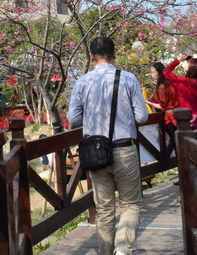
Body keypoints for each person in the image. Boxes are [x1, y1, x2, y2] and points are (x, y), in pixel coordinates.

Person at [68, 36, 148, 255]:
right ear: (114, 54)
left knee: (104, 210)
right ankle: (122, 250)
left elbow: (74, 119)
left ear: (91, 56)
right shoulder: (128, 79)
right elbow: (141, 116)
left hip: (95, 152)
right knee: (131, 204)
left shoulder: (82, 82)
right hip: (124, 150)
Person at [164, 55, 197, 129]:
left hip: (187, 122)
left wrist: (178, 60)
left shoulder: (185, 82)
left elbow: (166, 72)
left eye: (188, 63)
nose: (186, 64)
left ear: (192, 68)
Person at [146, 62, 180, 143]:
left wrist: (148, 102)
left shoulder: (162, 87)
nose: (152, 75)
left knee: (176, 144)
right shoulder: (169, 84)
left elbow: (162, 106)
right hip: (178, 114)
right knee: (179, 143)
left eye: (153, 72)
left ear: (159, 72)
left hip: (170, 118)